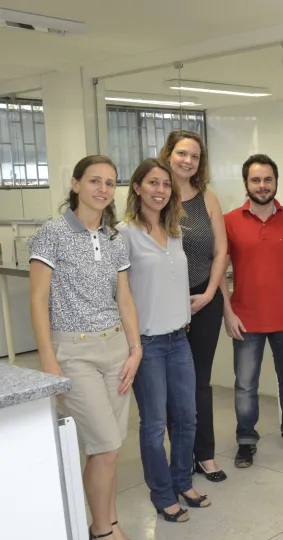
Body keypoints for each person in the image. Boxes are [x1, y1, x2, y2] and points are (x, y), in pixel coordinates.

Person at [29, 155, 141, 540]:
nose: (103, 189)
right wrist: (48, 359)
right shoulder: (52, 233)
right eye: (95, 181)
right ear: (76, 184)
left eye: (110, 183)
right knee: (106, 445)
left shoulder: (114, 237)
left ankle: (107, 522)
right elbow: (38, 299)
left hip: (116, 348)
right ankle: (102, 530)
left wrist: (135, 349)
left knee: (108, 448)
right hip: (73, 353)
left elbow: (124, 298)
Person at [120, 158, 212, 523]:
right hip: (147, 343)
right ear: (137, 187)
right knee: (155, 424)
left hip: (178, 339)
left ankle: (182, 482)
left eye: (165, 184)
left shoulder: (174, 231)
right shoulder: (124, 233)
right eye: (153, 183)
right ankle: (162, 494)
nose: (160, 190)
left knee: (187, 417)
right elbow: (120, 292)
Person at [221, 153, 283, 467]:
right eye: (255, 180)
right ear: (246, 184)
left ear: (275, 182)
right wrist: (227, 312)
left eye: (267, 179)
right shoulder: (229, 221)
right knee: (245, 385)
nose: (262, 185)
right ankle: (246, 440)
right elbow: (218, 270)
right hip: (245, 319)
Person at [159, 130, 229, 482]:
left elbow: (221, 251)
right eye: (182, 153)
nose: (188, 161)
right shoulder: (156, 196)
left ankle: (205, 454)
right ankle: (181, 455)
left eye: (195, 156)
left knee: (200, 380)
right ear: (168, 154)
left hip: (204, 299)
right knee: (174, 384)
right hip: (164, 305)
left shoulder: (208, 199)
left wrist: (210, 293)